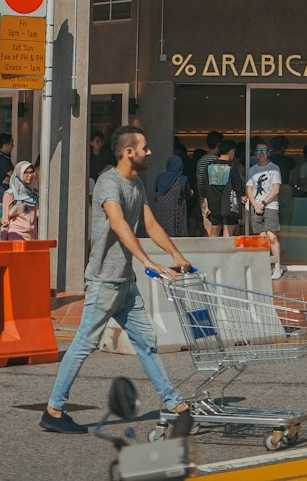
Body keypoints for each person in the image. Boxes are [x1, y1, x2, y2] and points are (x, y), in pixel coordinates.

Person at [41, 125, 192, 435]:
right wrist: (149, 261)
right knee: (84, 343)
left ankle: (174, 403)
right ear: (129, 152)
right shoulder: (109, 183)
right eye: (145, 147)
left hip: (125, 283)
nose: (150, 152)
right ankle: (54, 409)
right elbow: (119, 224)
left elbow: (150, 224)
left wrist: (176, 255)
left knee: (146, 343)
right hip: (104, 281)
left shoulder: (137, 184)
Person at [246, 140, 285, 280]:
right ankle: (264, 267)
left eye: (264, 150)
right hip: (256, 206)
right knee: (262, 238)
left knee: (272, 237)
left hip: (270, 206)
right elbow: (249, 189)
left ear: (268, 153)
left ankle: (278, 266)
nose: (261, 153)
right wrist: (254, 204)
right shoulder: (252, 169)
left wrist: (262, 203)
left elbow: (276, 190)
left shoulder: (274, 168)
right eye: (258, 150)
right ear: (255, 153)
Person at [203, 139, 244, 237]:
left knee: (214, 234)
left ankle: (213, 252)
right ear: (231, 151)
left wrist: (207, 205)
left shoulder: (209, 166)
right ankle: (226, 252)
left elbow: (204, 188)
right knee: (228, 235)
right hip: (229, 205)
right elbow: (238, 187)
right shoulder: (231, 166)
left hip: (214, 205)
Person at [153, 155, 190, 238]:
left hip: (161, 207)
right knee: (176, 229)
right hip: (176, 208)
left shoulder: (160, 177)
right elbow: (187, 193)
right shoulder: (182, 179)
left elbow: (155, 188)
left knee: (162, 228)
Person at [1, 162, 39, 240]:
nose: (30, 175)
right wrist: (3, 241)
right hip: (16, 234)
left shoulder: (34, 194)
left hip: (31, 236)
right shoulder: (10, 194)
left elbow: (34, 218)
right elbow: (5, 218)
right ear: (19, 174)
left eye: (31, 172)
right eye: (26, 173)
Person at [196, 130, 223, 236]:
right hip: (215, 200)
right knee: (216, 231)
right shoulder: (217, 160)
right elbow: (218, 184)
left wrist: (202, 197)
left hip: (203, 200)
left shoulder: (200, 161)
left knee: (207, 230)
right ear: (218, 144)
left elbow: (199, 182)